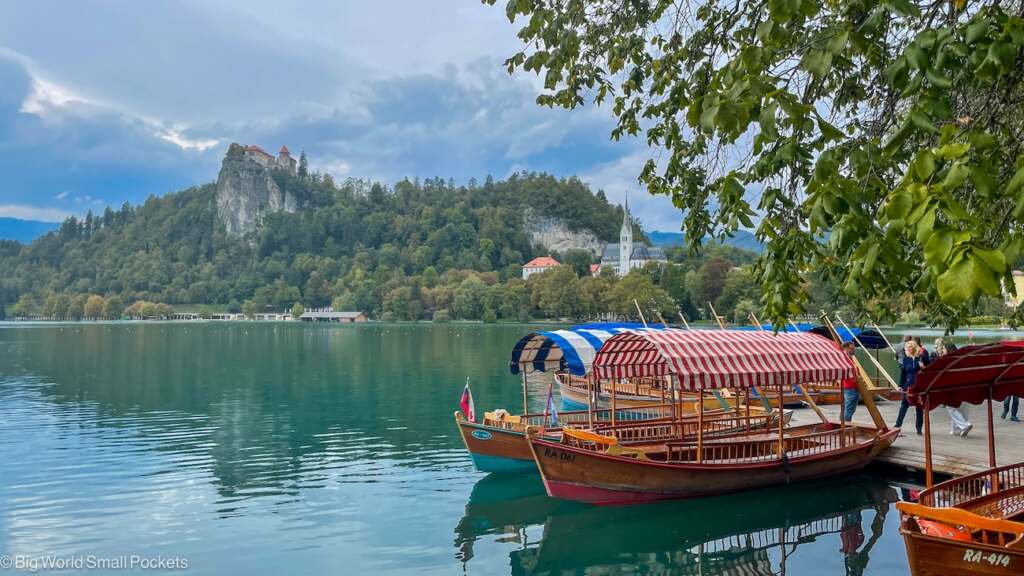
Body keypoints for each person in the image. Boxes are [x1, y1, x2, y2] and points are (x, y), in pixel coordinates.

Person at [935, 338, 972, 437]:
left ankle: (964, 425)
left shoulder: (949, 361)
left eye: (944, 349)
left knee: (952, 408)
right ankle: (957, 429)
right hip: (965, 387)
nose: (942, 350)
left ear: (948, 349)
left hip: (954, 387)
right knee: (962, 408)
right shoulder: (961, 359)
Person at [895, 340, 926, 434]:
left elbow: (927, 371)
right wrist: (900, 385)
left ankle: (919, 428)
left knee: (919, 407)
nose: (907, 348)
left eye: (909, 346)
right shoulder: (905, 359)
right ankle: (897, 425)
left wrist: (923, 367)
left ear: (914, 348)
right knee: (904, 406)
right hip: (907, 385)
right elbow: (903, 374)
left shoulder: (921, 358)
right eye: (907, 347)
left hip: (919, 386)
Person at [841, 341, 859, 421]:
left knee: (847, 409)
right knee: (848, 410)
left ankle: (843, 425)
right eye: (852, 348)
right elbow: (847, 373)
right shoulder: (845, 358)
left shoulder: (849, 358)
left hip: (851, 386)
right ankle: (845, 427)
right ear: (846, 349)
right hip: (850, 386)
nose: (853, 350)